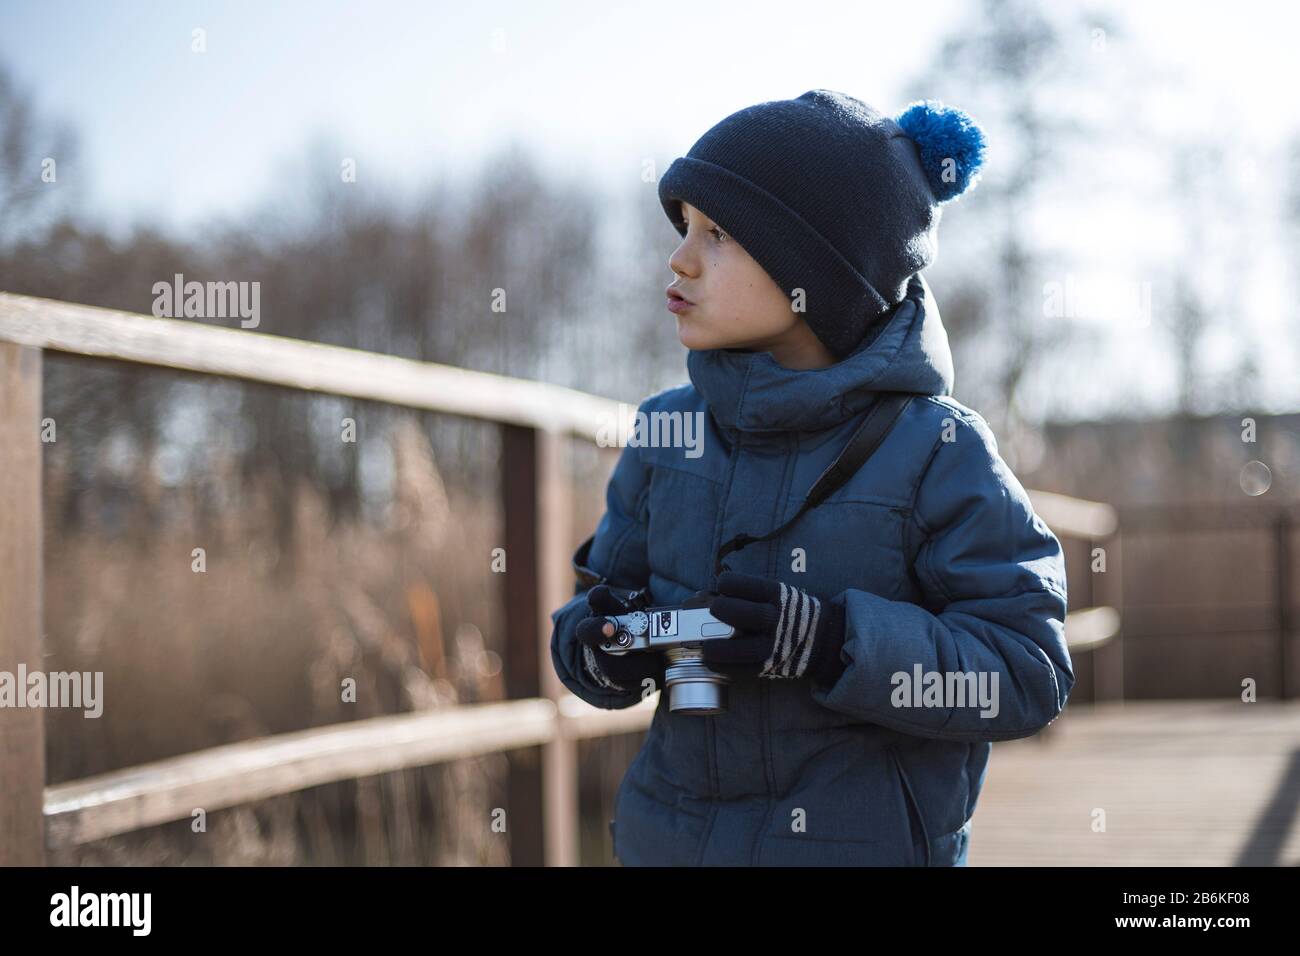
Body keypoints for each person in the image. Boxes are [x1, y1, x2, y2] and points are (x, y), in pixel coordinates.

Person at [550, 89, 1072, 866]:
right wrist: (602, 646)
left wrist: (832, 643)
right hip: (670, 845)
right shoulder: (667, 432)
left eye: (718, 232)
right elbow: (593, 615)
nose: (680, 257)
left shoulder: (939, 449)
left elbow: (1024, 674)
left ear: (817, 275)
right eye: (684, 225)